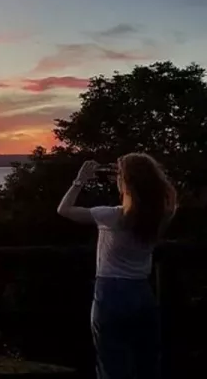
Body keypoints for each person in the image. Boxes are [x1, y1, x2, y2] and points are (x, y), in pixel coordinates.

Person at [57, 154, 176, 379]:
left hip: (110, 294)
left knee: (111, 365)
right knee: (147, 364)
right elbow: (168, 198)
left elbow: (64, 210)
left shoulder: (110, 216)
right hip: (143, 292)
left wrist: (80, 179)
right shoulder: (162, 215)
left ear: (126, 183)